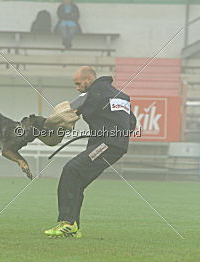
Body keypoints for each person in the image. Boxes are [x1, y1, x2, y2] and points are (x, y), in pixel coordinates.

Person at [44, 66, 136, 238]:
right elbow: (132, 123)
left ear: (89, 80)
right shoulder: (120, 96)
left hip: (107, 144)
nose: (77, 87)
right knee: (76, 180)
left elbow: (72, 111)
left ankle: (68, 223)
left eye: (78, 83)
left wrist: (48, 124)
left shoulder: (95, 93)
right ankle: (73, 228)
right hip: (113, 143)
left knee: (71, 170)